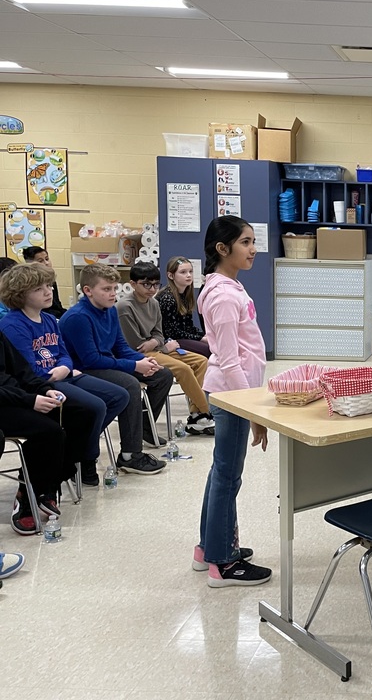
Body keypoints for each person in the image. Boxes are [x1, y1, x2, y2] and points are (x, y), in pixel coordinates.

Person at [0, 263, 129, 486]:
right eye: (39, 289)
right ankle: (85, 458)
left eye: (49, 286)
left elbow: (64, 354)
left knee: (119, 395)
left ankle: (75, 447)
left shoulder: (49, 319)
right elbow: (27, 370)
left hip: (61, 374)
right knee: (94, 407)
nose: (49, 291)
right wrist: (60, 371)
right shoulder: (12, 325)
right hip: (42, 382)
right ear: (20, 294)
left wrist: (64, 368)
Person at [195, 216, 271, 587]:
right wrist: (252, 408)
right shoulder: (224, 295)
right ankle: (222, 563)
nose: (253, 249)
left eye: (253, 240)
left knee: (221, 472)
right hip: (231, 395)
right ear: (222, 249)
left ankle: (208, 546)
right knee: (227, 476)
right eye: (244, 242)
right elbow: (228, 359)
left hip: (231, 392)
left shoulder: (229, 288)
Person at [59, 264, 169, 475]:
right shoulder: (78, 317)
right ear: (88, 290)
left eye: (114, 288)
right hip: (82, 371)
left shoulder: (110, 310)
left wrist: (143, 361)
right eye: (106, 289)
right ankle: (130, 454)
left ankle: (144, 428)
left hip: (104, 363)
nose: (112, 294)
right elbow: (91, 360)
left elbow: (120, 347)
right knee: (129, 385)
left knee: (162, 374)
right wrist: (135, 366)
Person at [1, 331, 101, 534]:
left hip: (17, 397)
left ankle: (49, 484)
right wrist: (29, 400)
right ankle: (29, 495)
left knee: (83, 413)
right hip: (6, 403)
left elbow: (22, 371)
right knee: (50, 431)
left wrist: (44, 389)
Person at [117, 261, 214, 436]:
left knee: (201, 361)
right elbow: (137, 344)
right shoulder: (125, 307)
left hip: (159, 348)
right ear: (132, 284)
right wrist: (156, 342)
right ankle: (207, 411)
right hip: (142, 354)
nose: (152, 288)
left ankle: (196, 414)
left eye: (155, 284)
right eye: (146, 284)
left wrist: (155, 341)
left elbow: (159, 334)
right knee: (183, 368)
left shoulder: (153, 303)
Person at [156, 256, 209, 357]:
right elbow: (172, 332)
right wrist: (200, 339)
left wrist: (203, 335)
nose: (189, 275)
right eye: (183, 272)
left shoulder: (185, 295)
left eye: (190, 271)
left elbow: (188, 326)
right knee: (207, 350)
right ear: (171, 276)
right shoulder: (168, 298)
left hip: (180, 337)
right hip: (169, 340)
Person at [22, 246, 66, 319]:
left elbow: (57, 306)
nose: (46, 263)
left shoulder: (51, 280)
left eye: (47, 259)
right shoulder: (29, 283)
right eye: (40, 261)